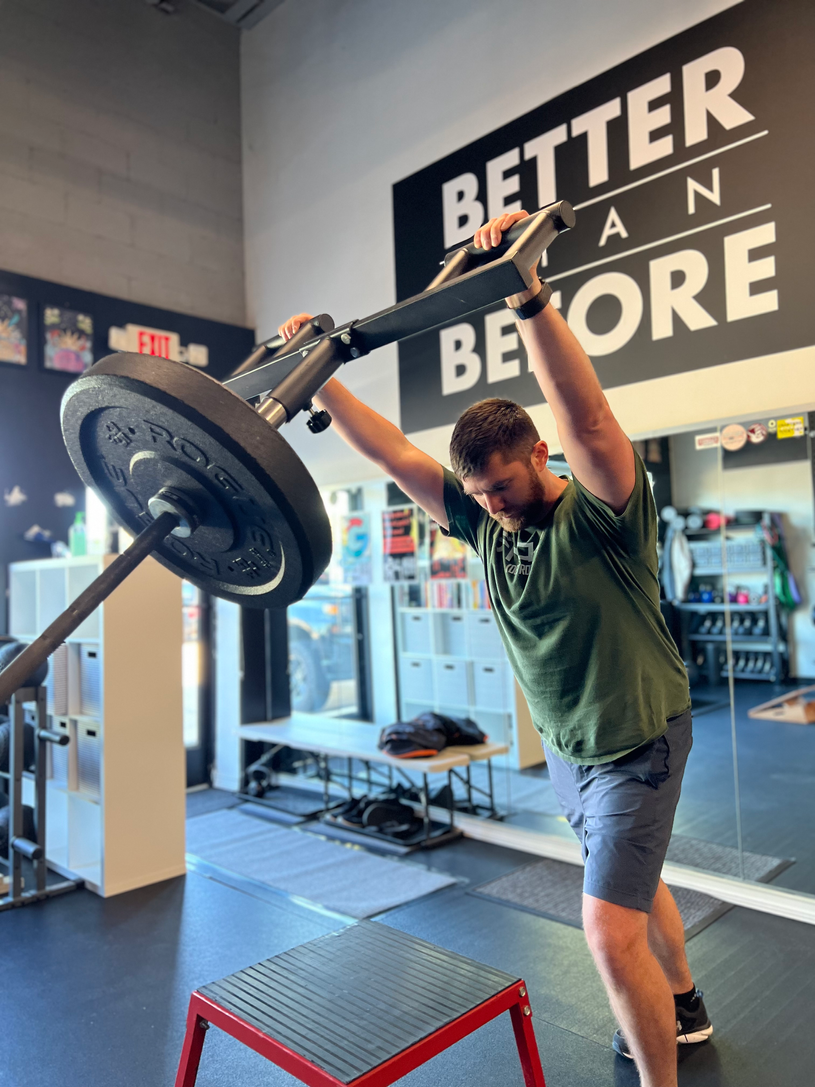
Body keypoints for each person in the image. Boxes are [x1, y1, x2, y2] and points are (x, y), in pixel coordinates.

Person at [278, 208, 711, 1087]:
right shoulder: (483, 526)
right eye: (480, 492)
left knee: (602, 923)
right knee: (626, 878)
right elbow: (394, 452)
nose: (494, 504)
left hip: (639, 738)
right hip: (570, 744)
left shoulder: (604, 515)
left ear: (537, 456)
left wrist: (528, 300)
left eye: (505, 486)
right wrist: (315, 374)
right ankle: (686, 1002)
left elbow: (590, 420)